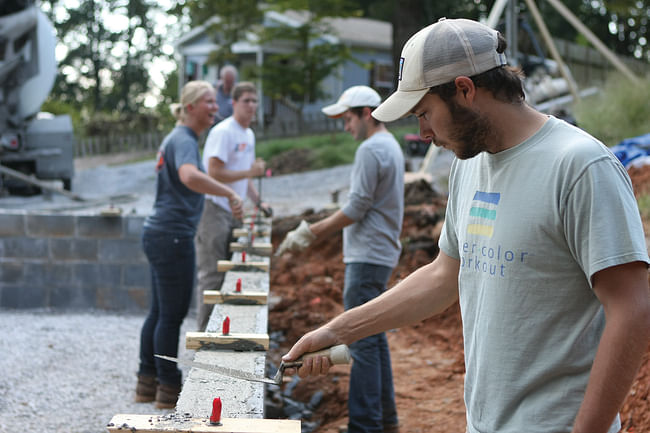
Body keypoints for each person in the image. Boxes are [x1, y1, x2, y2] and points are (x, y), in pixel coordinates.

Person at [282, 18, 650, 433]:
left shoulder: (579, 166)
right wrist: (337, 330)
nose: (422, 133)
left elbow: (632, 309)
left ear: (465, 90)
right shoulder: (469, 167)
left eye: (425, 114)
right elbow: (443, 276)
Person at [276, 85, 404, 433]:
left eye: (347, 118)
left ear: (365, 114)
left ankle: (365, 425)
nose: (345, 126)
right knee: (373, 337)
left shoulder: (370, 150)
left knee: (360, 341)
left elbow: (356, 208)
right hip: (381, 252)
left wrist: (310, 232)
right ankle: (386, 419)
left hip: (366, 256)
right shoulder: (390, 145)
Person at [135, 80, 244, 409]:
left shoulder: (179, 138)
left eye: (216, 102)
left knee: (158, 313)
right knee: (171, 316)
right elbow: (188, 176)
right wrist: (228, 192)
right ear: (191, 107)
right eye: (209, 102)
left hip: (159, 233)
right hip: (172, 236)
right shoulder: (183, 139)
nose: (216, 107)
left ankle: (146, 382)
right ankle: (169, 389)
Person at [195, 81, 268, 331]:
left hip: (234, 210)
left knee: (231, 273)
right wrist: (251, 171)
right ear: (234, 103)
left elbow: (244, 179)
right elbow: (213, 172)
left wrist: (259, 202)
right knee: (212, 275)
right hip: (213, 209)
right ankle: (205, 336)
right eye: (245, 100)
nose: (251, 106)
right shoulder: (224, 131)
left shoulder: (248, 134)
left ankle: (223, 329)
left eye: (254, 101)